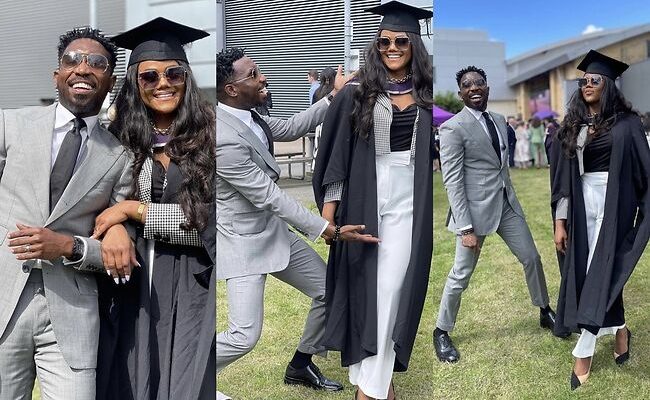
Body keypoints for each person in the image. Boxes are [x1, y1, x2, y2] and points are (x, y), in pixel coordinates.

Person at [216, 47, 378, 398]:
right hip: (243, 243)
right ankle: (183, 366)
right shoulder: (222, 138)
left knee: (328, 291)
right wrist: (327, 228)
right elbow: (271, 197)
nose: (263, 79)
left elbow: (290, 127)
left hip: (274, 233)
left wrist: (332, 95)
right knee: (244, 336)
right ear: (231, 88)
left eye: (259, 71)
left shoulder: (251, 115)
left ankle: (301, 363)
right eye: (254, 75)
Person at [0, 27, 134, 399]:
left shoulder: (120, 156)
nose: (83, 68)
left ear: (110, 79)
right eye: (72, 60)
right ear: (57, 73)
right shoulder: (10, 125)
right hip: (3, 300)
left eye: (97, 63)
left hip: (72, 311)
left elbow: (119, 242)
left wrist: (70, 247)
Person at [313, 2, 434, 399]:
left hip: (407, 205)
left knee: (393, 289)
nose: (392, 47)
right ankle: (378, 386)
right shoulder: (357, 93)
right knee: (370, 291)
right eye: (384, 41)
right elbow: (335, 161)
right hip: (366, 197)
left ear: (414, 43)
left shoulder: (427, 95)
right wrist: (329, 224)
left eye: (401, 41)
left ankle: (369, 389)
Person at [92, 17, 216, 400]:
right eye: (149, 77)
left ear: (186, 77)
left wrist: (133, 211)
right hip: (128, 284)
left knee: (184, 382)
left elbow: (210, 222)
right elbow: (98, 206)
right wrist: (114, 225)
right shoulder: (114, 139)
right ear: (134, 83)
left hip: (191, 278)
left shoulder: (211, 136)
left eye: (173, 73)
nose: (162, 83)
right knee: (130, 379)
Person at [433, 65, 561, 364]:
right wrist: (465, 229)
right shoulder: (453, 127)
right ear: (461, 92)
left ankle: (544, 310)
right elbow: (452, 180)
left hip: (506, 206)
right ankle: (441, 330)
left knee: (531, 257)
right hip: (473, 216)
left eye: (479, 83)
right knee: (460, 275)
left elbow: (501, 166)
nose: (474, 87)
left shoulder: (501, 120)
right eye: (467, 85)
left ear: (487, 87)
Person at [550, 50, 650, 390]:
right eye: (583, 81)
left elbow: (643, 173)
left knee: (599, 269)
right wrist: (560, 221)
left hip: (615, 205)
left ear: (608, 85)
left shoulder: (628, 124)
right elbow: (563, 179)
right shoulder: (573, 125)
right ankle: (621, 331)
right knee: (591, 271)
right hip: (582, 205)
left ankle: (584, 353)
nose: (588, 84)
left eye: (595, 80)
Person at [311, 67, 337, 170]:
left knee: (319, 149)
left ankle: (317, 169)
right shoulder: (338, 91)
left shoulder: (317, 92)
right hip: (335, 125)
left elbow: (313, 109)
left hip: (320, 125)